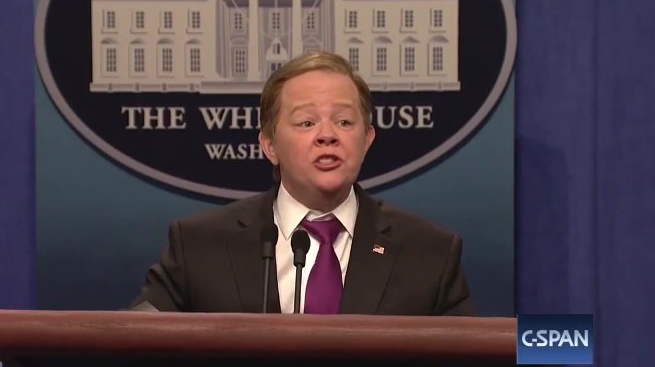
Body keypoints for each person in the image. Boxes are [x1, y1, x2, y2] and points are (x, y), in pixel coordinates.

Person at [129, 52, 474, 316]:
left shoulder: (428, 253)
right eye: (307, 122)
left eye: (344, 121)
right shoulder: (200, 246)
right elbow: (130, 344)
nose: (327, 135)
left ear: (367, 140)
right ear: (270, 145)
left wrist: (528, 344)